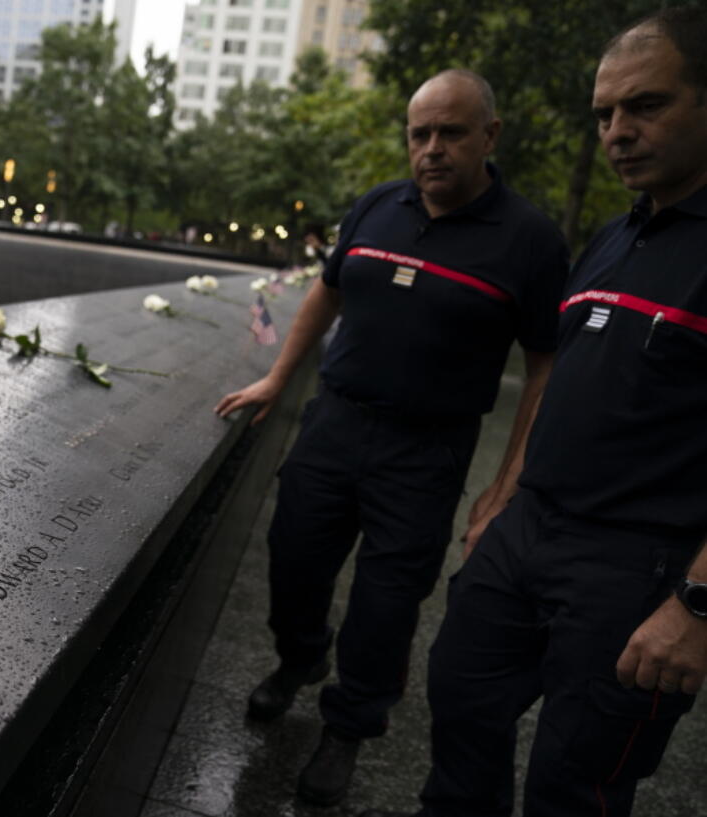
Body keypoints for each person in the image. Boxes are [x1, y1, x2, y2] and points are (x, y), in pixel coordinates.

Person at [359, 8, 707, 817]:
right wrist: (505, 495)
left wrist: (696, 604)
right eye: (604, 114)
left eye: (646, 106)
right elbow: (560, 374)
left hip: (640, 565)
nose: (617, 132)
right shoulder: (615, 236)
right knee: (460, 704)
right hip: (529, 534)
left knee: (574, 782)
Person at [213, 70, 569, 807]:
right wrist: (280, 377)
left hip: (427, 449)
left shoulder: (530, 240)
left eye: (452, 133)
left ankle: (348, 725)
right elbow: (328, 289)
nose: (432, 149)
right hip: (335, 421)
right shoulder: (377, 204)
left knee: (388, 600)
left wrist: (506, 483)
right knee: (292, 560)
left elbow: (545, 365)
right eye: (420, 134)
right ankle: (301, 655)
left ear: (489, 136)